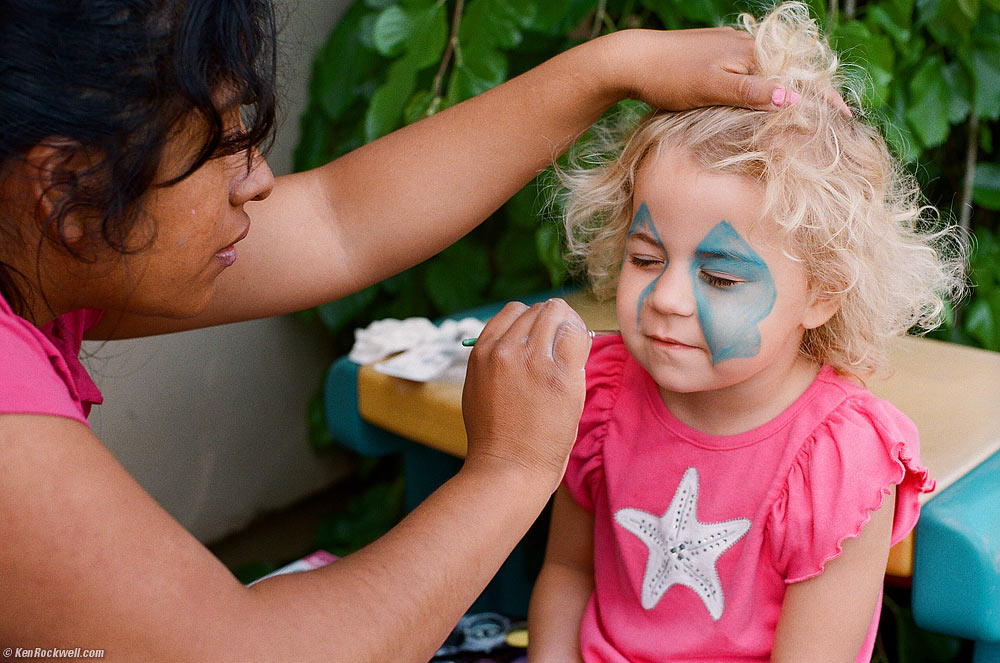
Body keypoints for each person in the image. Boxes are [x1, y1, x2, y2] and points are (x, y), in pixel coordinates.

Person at [0, 1, 818, 660]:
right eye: (218, 145)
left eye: (718, 273)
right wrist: (510, 467)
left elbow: (336, 221)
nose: (259, 181)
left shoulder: (37, 243)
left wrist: (611, 66)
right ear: (69, 190)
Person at [526, 3, 967, 662]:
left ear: (821, 294)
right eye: (646, 257)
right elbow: (567, 573)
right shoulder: (605, 393)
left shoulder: (835, 459)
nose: (667, 298)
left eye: (722, 279)